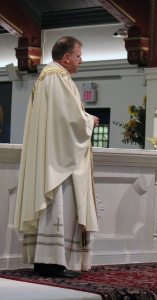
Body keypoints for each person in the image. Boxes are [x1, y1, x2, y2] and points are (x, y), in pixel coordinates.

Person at [14, 36, 99, 277]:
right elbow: (68, 120)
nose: (81, 61)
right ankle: (53, 262)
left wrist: (83, 118)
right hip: (59, 163)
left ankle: (46, 261)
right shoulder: (58, 77)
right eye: (78, 56)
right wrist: (89, 121)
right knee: (59, 206)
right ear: (66, 58)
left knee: (53, 209)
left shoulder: (46, 76)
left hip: (51, 155)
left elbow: (62, 116)